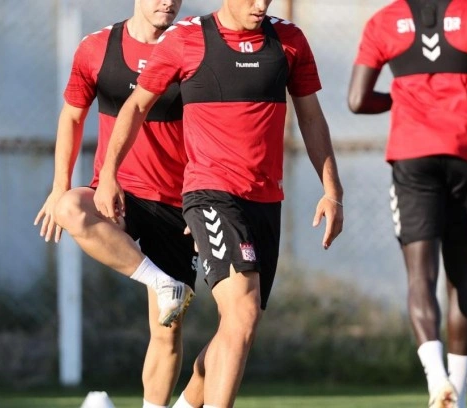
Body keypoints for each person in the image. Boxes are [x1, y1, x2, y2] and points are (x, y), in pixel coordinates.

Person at [92, 1, 344, 406]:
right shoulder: (186, 38)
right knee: (242, 315)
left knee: (240, 325)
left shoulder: (289, 40)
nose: (261, 5)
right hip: (210, 192)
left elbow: (311, 117)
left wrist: (332, 191)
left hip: (266, 201)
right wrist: (109, 174)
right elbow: (136, 106)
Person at [33, 1, 195, 407]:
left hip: (177, 203)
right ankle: (161, 281)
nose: (168, 1)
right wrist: (59, 186)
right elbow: (72, 117)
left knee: (167, 330)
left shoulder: (195, 46)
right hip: (117, 194)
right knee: (69, 207)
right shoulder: (97, 48)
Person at [348, 1, 467, 407]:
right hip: (466, 154)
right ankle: (460, 393)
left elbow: (356, 99)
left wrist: (399, 98)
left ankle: (437, 382)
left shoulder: (383, 22)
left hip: (412, 155)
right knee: (461, 283)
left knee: (421, 278)